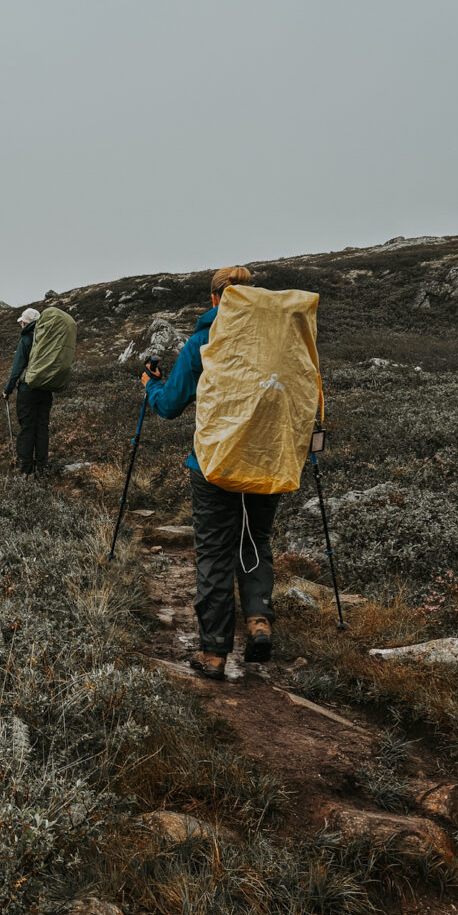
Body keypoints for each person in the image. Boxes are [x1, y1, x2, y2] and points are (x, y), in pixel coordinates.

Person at [141, 266, 281, 681]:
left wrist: (150, 386)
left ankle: (214, 654)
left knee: (216, 552)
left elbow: (168, 405)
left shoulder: (203, 341)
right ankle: (258, 621)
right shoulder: (275, 343)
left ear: (215, 299)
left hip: (214, 465)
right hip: (266, 463)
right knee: (254, 540)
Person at [2, 307, 51, 477]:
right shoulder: (47, 338)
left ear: (26, 323)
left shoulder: (26, 339)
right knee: (42, 427)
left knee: (27, 428)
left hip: (27, 390)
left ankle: (26, 469)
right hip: (46, 389)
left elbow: (17, 369)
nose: (20, 325)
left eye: (21, 322)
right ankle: (42, 467)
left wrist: (7, 390)